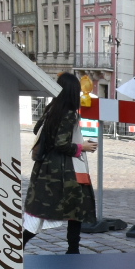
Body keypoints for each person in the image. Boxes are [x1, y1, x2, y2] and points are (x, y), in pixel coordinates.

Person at [24, 72, 98, 254]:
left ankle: (72, 249)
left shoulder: (52, 108)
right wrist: (83, 147)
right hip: (64, 170)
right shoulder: (68, 114)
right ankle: (72, 249)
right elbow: (61, 144)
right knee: (75, 208)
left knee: (44, 210)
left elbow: (37, 130)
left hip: (46, 167)